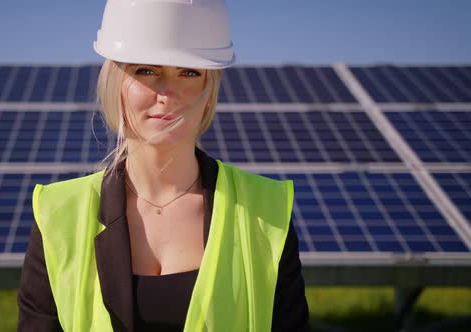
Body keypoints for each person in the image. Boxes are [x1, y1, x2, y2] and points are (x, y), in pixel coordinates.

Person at [18, 0, 309, 331]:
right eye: (145, 70)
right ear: (116, 82)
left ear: (210, 87)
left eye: (189, 72)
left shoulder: (267, 210)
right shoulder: (58, 213)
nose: (167, 93)